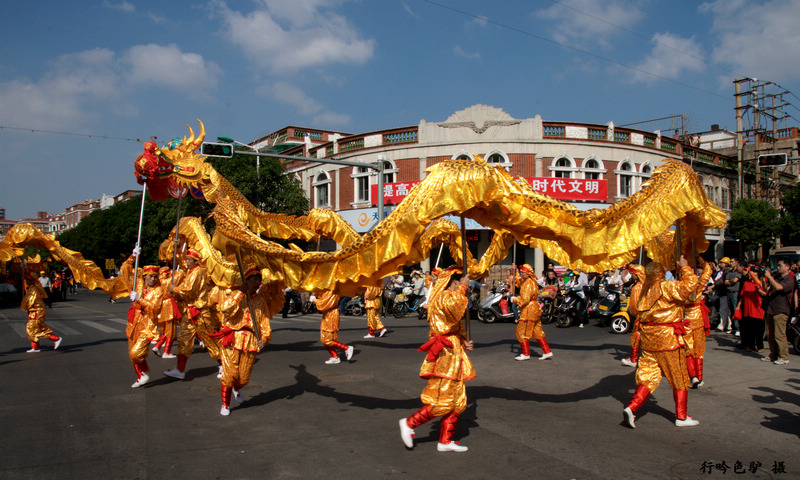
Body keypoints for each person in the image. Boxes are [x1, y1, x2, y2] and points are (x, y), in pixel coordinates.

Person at [399, 267, 475, 452]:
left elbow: (455, 325)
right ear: (454, 281)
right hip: (445, 354)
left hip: (454, 350)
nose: (462, 284)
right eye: (460, 282)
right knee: (444, 399)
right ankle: (409, 423)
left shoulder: (448, 296)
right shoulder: (443, 297)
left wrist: (464, 342)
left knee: (457, 400)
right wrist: (463, 289)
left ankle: (445, 440)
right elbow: (454, 310)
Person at [622, 256, 700, 428]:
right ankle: (681, 416)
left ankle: (632, 407)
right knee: (679, 377)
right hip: (668, 339)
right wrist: (685, 268)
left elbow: (634, 310)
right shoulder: (666, 286)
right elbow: (690, 285)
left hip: (649, 340)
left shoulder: (643, 290)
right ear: (661, 274)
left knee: (648, 377)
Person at [213, 266, 282, 415]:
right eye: (254, 280)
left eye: (259, 280)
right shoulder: (235, 295)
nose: (257, 283)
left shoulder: (260, 301)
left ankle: (237, 388)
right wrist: (240, 293)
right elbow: (225, 309)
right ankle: (225, 404)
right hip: (233, 338)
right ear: (246, 280)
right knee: (229, 375)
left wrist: (264, 338)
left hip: (250, 341)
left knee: (244, 378)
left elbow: (264, 322)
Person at [164, 249, 221, 380]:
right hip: (189, 312)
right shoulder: (190, 272)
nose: (187, 262)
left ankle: (224, 365)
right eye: (187, 259)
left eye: (189, 260)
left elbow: (190, 290)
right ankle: (180, 369)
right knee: (183, 339)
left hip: (201, 313)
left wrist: (176, 289)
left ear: (196, 261)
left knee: (209, 341)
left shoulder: (199, 272)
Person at [125, 265, 163, 388]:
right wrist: (132, 256)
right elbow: (125, 272)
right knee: (132, 353)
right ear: (145, 276)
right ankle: (141, 375)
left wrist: (139, 300)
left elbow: (155, 309)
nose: (153, 279)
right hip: (134, 323)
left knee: (135, 354)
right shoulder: (138, 283)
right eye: (151, 276)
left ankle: (144, 371)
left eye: (155, 277)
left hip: (147, 326)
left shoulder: (159, 291)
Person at [511, 264, 552, 361]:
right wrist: (514, 271)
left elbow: (525, 299)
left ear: (528, 273)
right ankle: (547, 351)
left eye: (523, 272)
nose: (521, 274)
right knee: (537, 331)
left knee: (521, 331)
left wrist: (515, 299)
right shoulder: (527, 281)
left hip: (529, 309)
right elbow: (517, 281)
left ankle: (525, 353)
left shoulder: (529, 283)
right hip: (534, 309)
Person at [684, 258, 713, 388]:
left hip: (686, 321)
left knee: (688, 350)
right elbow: (708, 271)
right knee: (698, 351)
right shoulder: (697, 285)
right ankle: (699, 378)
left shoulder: (679, 287)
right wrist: (700, 258)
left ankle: (694, 376)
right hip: (698, 320)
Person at [761, 259, 794, 365]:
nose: (778, 267)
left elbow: (779, 287)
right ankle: (773, 355)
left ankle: (784, 357)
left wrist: (770, 277)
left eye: (780, 265)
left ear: (787, 267)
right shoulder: (777, 278)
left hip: (781, 310)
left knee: (779, 335)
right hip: (771, 308)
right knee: (770, 334)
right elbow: (767, 289)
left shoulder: (789, 280)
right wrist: (763, 278)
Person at [21, 271, 62, 352]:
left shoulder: (33, 289)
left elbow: (29, 301)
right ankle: (35, 347)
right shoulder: (33, 287)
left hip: (37, 311)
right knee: (37, 328)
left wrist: (24, 305)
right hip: (35, 311)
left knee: (31, 328)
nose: (26, 281)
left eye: (27, 279)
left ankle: (56, 338)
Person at [733, 263, 766, 354]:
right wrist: (738, 306)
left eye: (754, 272)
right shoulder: (746, 283)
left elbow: (765, 290)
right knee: (749, 329)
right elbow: (742, 296)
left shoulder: (760, 282)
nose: (753, 273)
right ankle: (750, 346)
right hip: (747, 309)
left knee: (758, 329)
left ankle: (760, 346)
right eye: (752, 272)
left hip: (757, 309)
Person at [317, 289, 355, 364]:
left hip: (331, 316)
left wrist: (315, 300)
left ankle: (346, 348)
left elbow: (323, 304)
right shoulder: (327, 289)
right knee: (323, 339)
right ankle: (335, 357)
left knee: (328, 339)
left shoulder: (332, 290)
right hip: (327, 315)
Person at [621, 264, 645, 367]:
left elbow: (634, 307)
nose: (631, 276)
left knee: (635, 339)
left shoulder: (637, 287)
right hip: (648, 316)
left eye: (632, 274)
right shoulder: (645, 285)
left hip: (640, 317)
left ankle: (634, 360)